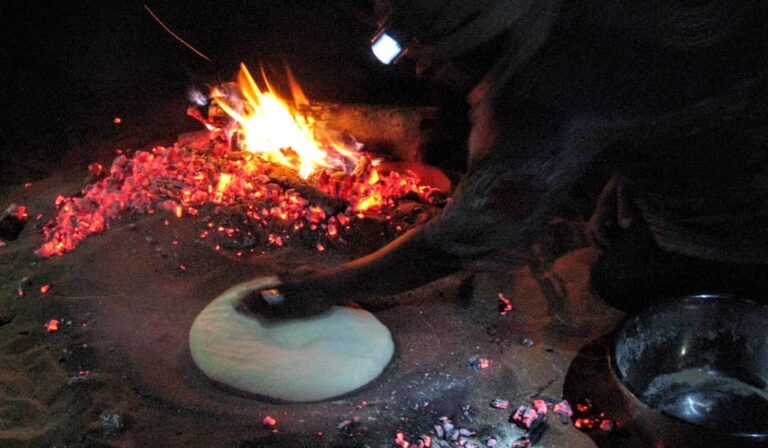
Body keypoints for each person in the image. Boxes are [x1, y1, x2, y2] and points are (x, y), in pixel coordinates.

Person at [241, 0, 768, 317]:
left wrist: (334, 285)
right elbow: (654, 101)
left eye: (428, 51)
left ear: (485, 36)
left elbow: (463, 236)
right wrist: (629, 176)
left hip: (748, 198)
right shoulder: (564, 20)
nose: (417, 67)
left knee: (620, 283)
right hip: (721, 112)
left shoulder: (546, 101)